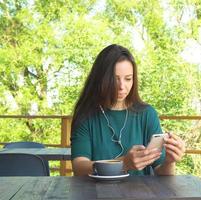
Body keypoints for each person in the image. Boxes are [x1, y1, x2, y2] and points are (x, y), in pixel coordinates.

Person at [70, 44, 185, 176]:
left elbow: (162, 174)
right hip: (96, 194)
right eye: (114, 79)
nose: (122, 87)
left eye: (128, 79)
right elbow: (79, 167)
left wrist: (169, 162)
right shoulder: (86, 115)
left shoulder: (147, 114)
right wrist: (123, 164)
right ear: (100, 79)